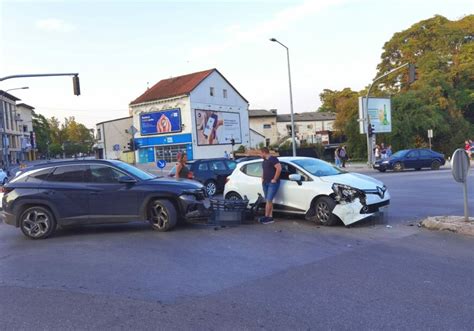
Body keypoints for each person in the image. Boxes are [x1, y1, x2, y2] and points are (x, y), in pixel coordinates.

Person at [259, 147, 281, 225]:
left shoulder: (273, 159)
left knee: (269, 200)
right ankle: (270, 217)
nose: (260, 155)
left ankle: (266, 217)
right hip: (265, 182)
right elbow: (264, 170)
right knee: (268, 200)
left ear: (264, 152)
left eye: (260, 153)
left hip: (272, 183)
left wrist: (274, 179)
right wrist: (262, 178)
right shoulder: (264, 161)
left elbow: (279, 168)